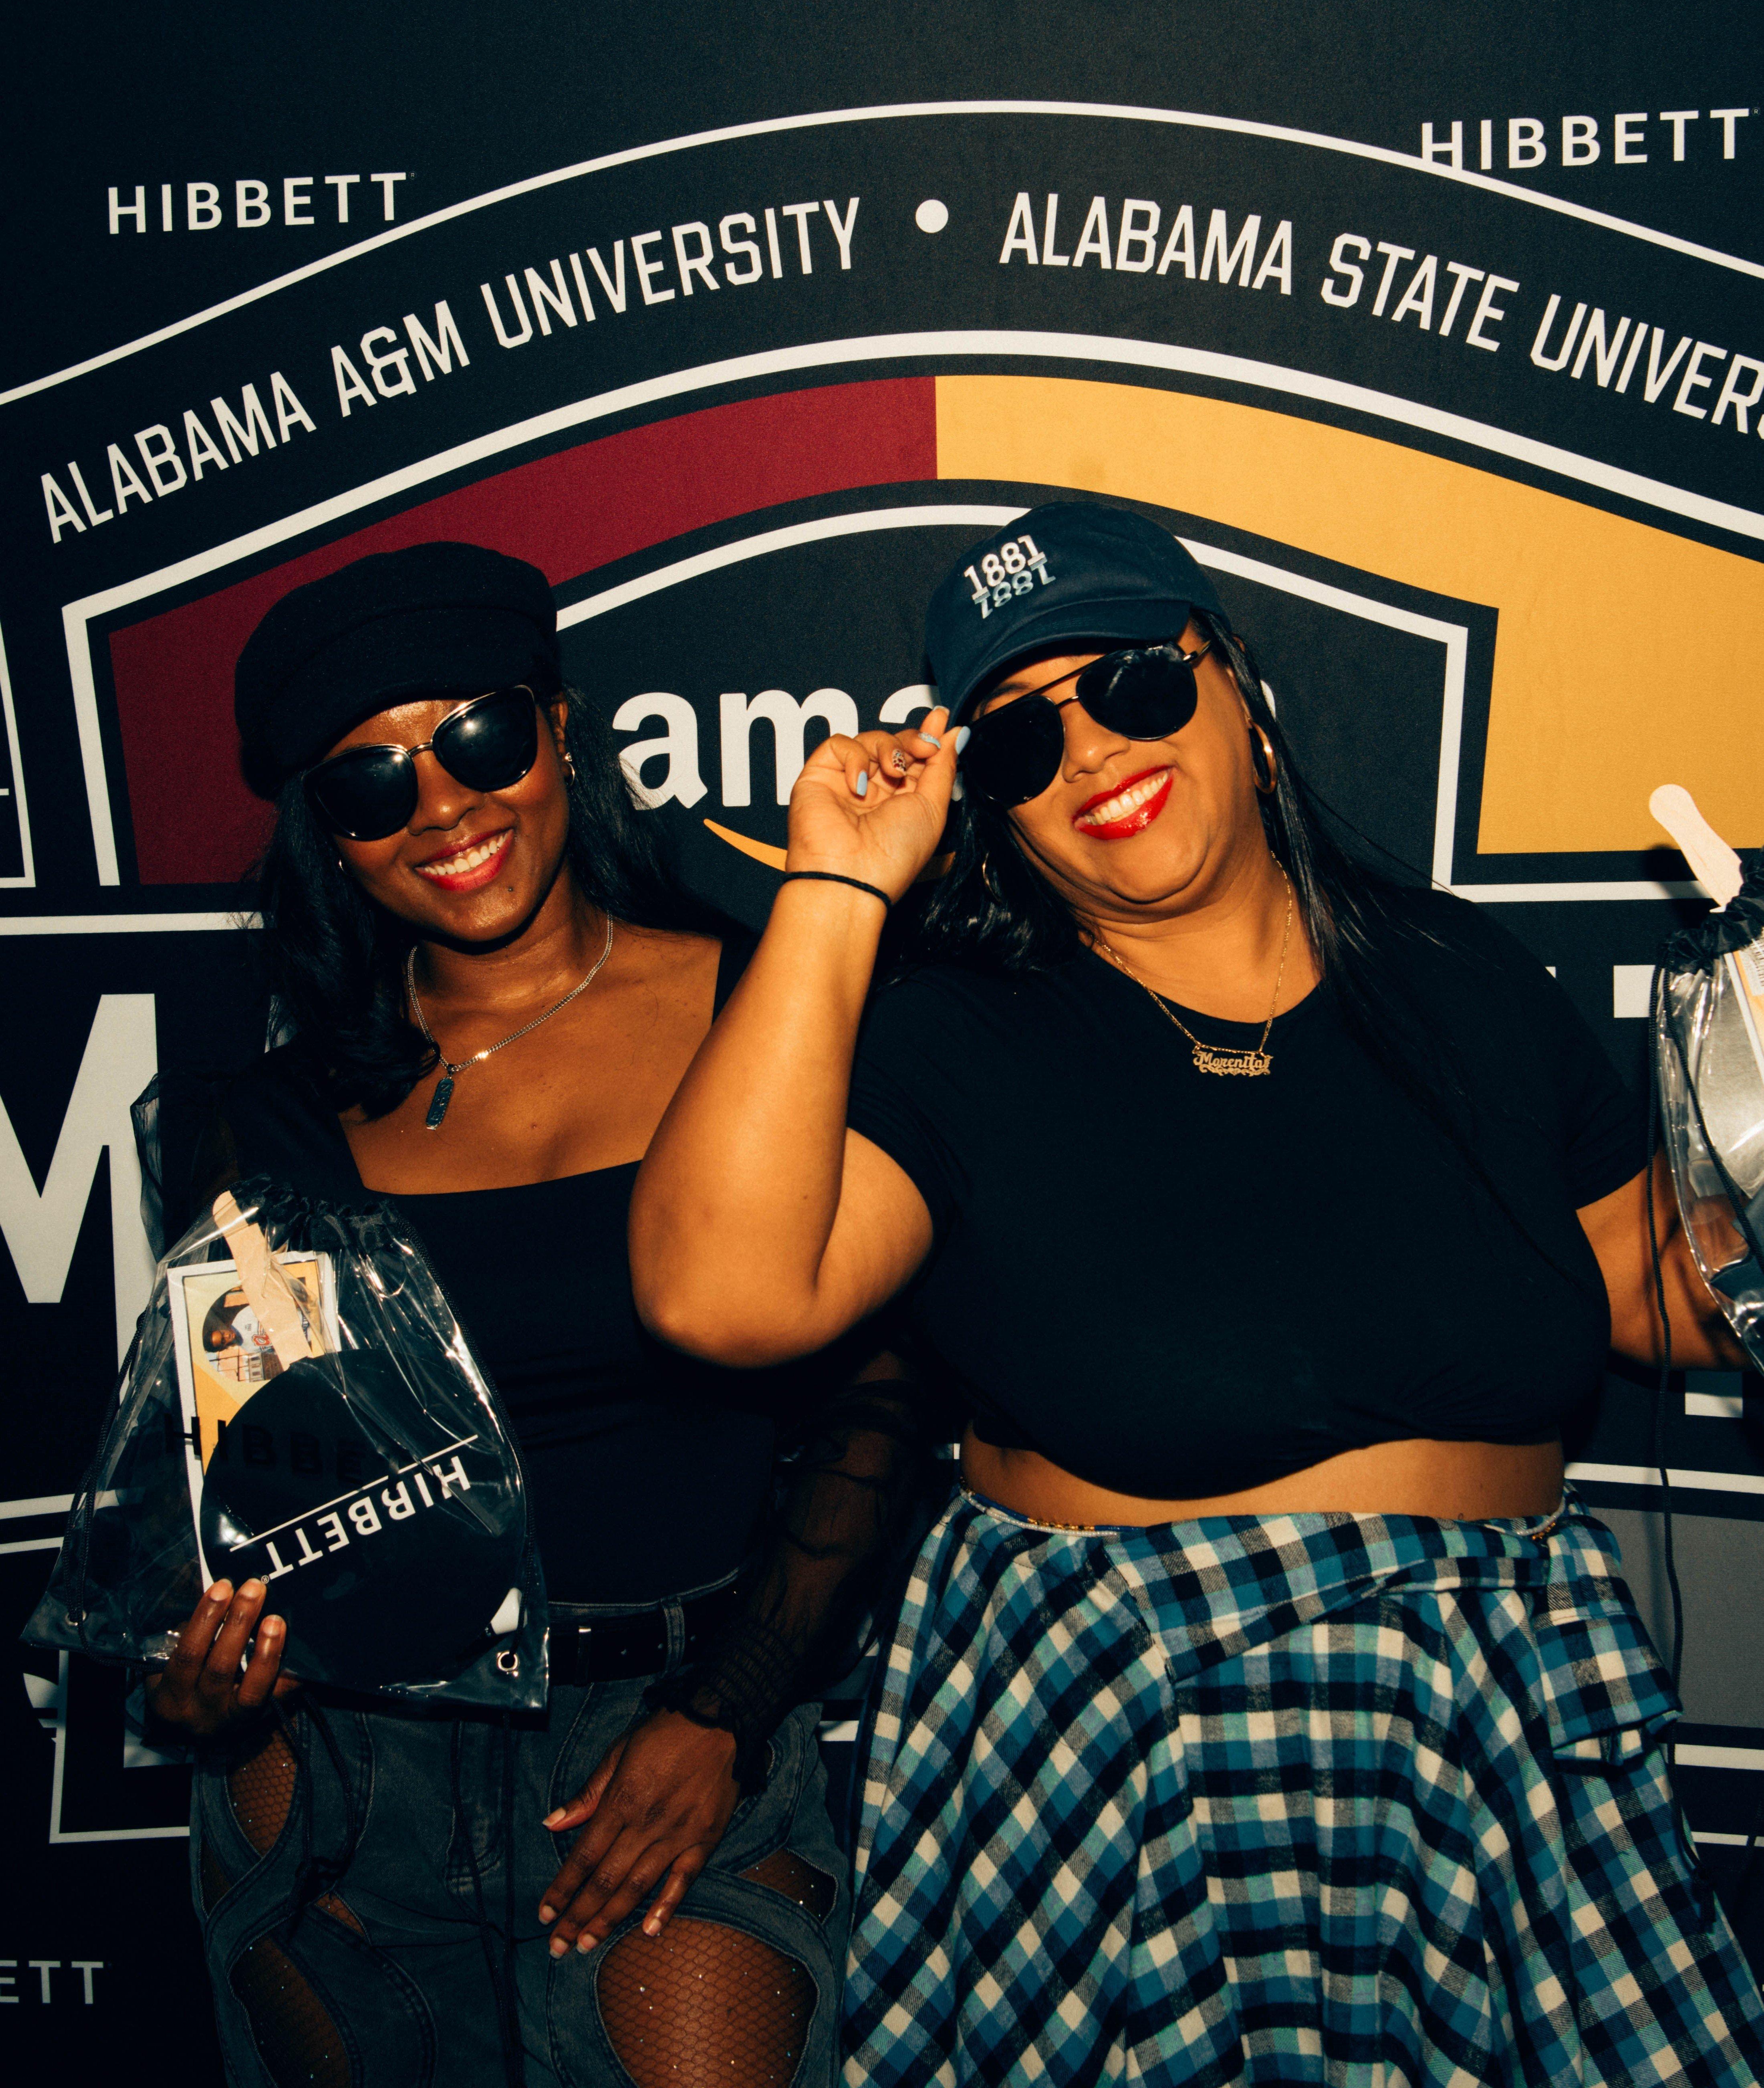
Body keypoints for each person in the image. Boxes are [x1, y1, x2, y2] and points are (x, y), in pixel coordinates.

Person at [628, 502, 1764, 2085]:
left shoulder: (1465, 981)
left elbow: (1681, 1295)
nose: (1092, 753)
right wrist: (839, 886)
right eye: (1022, 741)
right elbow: (719, 1292)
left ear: (1237, 687)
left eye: (1135, 690)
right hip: (1138, 1753)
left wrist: (1752, 1148)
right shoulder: (960, 1039)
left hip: (1499, 1734)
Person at [143, 542, 926, 2088]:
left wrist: (725, 1712)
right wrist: (200, 1685)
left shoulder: (764, 1005)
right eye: (372, 783)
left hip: (666, 1739)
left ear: (563, 730)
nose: (441, 806)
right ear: (329, 833)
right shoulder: (274, 1114)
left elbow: (884, 1405)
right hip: (347, 1765)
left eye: (480, 739)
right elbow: (243, 1488)